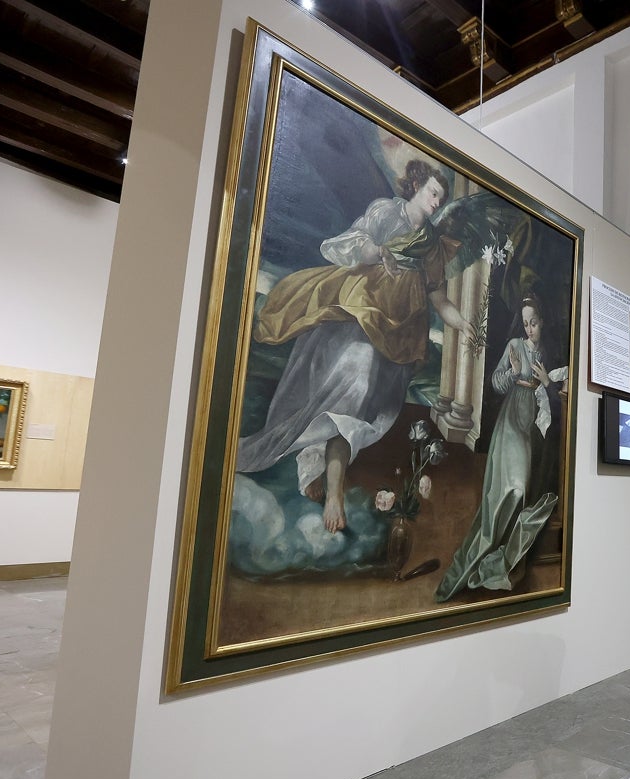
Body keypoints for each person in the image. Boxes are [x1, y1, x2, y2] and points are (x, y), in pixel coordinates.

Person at [236, 159, 476, 533]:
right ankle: (333, 491)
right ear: (415, 186)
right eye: (432, 193)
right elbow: (352, 243)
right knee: (352, 391)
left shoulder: (431, 244)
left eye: (441, 198)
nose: (435, 203)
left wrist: (460, 322)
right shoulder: (385, 212)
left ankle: (323, 472)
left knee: (362, 411)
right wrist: (378, 253)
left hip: (395, 339)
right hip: (358, 321)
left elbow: (438, 296)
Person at [435, 296, 568, 601]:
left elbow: (555, 388)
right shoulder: (514, 346)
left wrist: (546, 381)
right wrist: (513, 371)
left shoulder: (547, 351)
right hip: (511, 418)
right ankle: (483, 552)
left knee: (525, 492)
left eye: (533, 322)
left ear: (543, 321)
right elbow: (496, 383)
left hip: (532, 422)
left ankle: (505, 558)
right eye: (525, 323)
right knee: (514, 489)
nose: (529, 328)